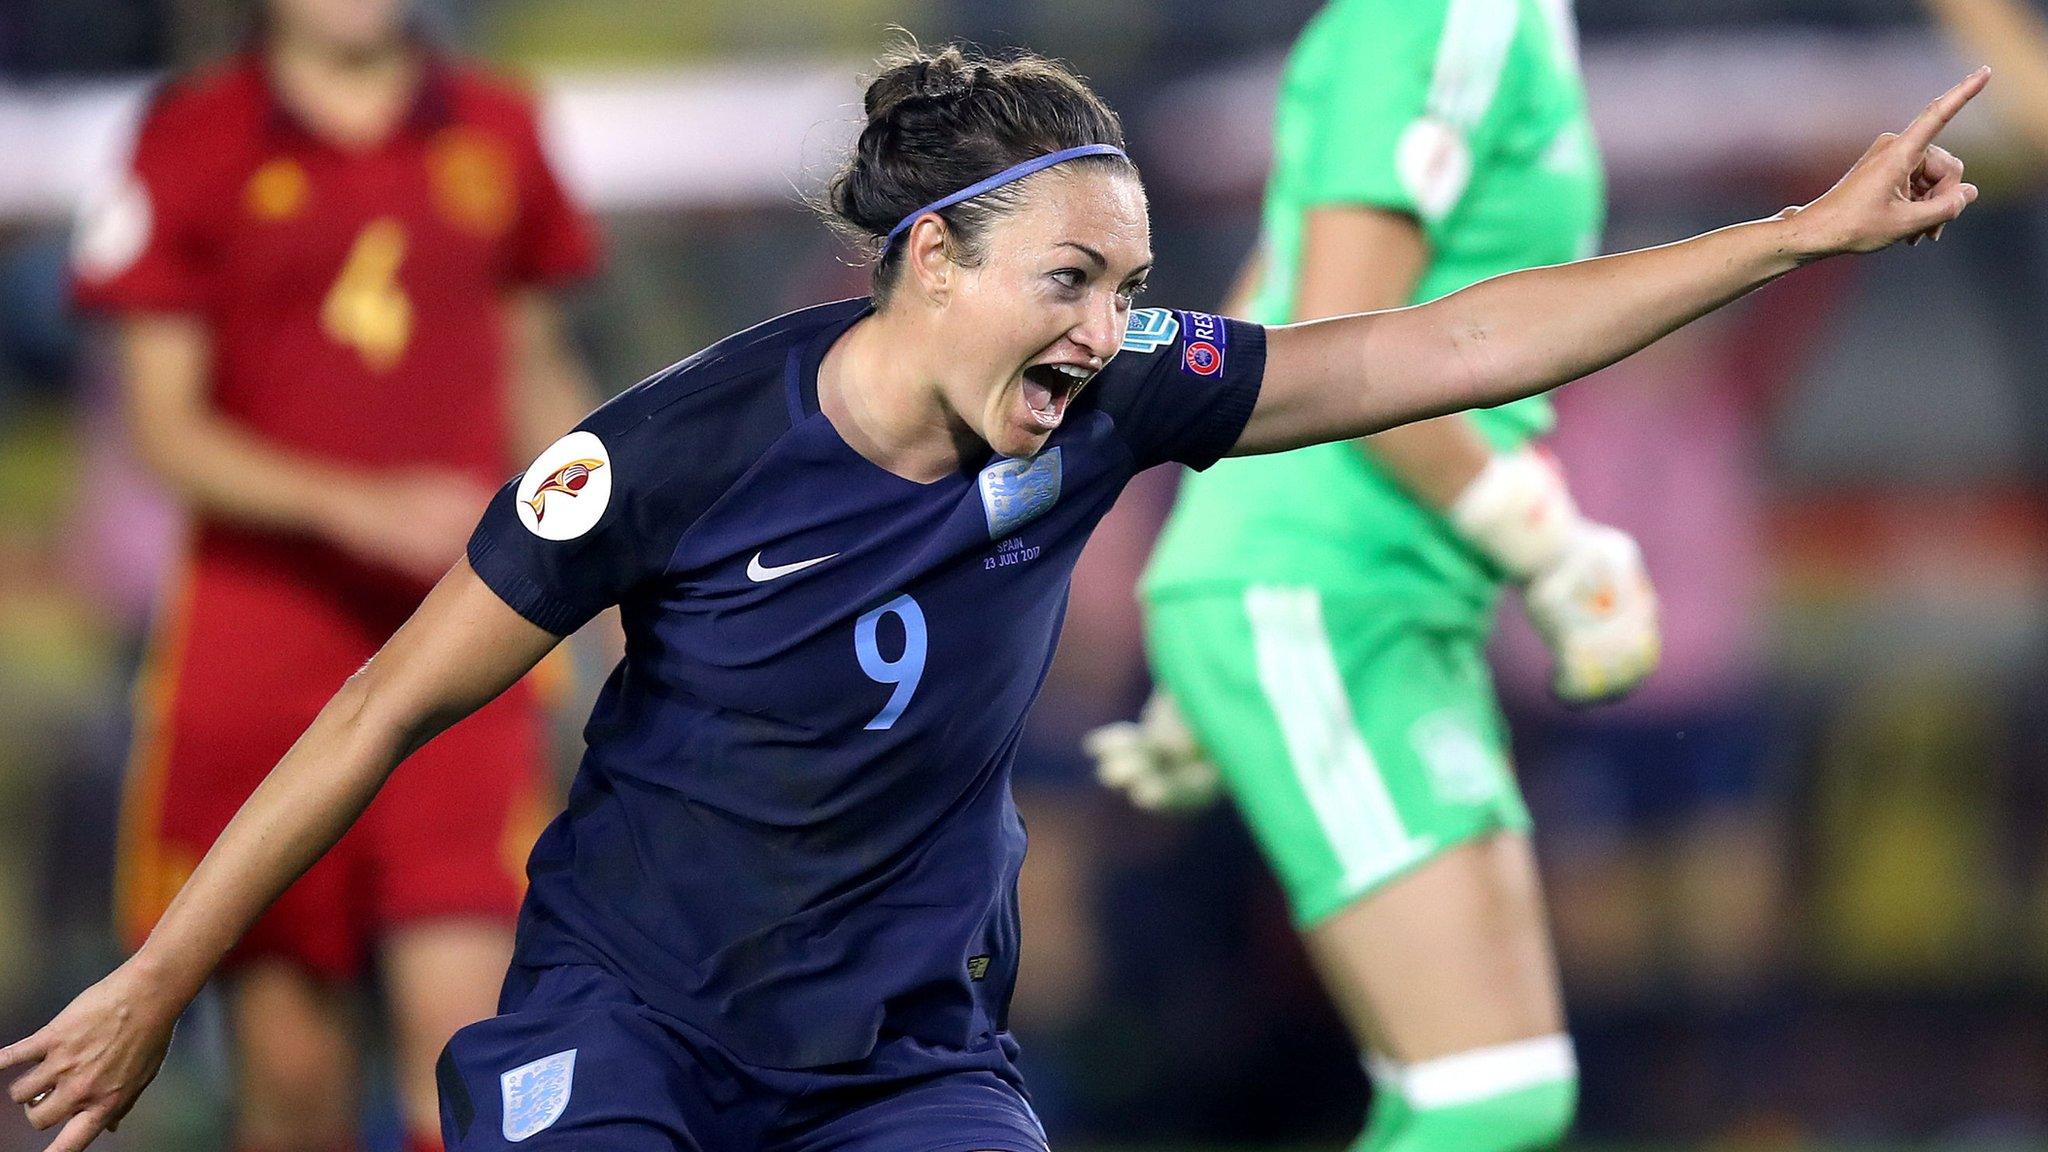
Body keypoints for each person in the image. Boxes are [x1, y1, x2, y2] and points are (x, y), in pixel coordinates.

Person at [4, 39, 1985, 1152]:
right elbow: (376, 710)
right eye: (1069, 281)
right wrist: (154, 978)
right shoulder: (673, 449)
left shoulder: (1114, 405)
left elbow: (1428, 349)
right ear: (928, 261)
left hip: (904, 1071)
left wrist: (1796, 240)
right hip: (635, 1044)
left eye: (1127, 286)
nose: (1109, 327)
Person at [1088, 3, 1641, 1148]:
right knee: (1491, 1101)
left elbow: (1268, 302)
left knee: (1472, 1095)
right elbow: (1338, 338)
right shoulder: (1442, 15)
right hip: (1321, 579)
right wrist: (1544, 540)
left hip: (1358, 586)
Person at [64, 1, 600, 1150]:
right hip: (257, 649)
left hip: (464, 630)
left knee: (469, 1044)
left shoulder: (501, 129)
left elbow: (535, 363)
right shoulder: (190, 137)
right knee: (293, 1074)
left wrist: (606, 542)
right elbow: (163, 425)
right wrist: (351, 505)